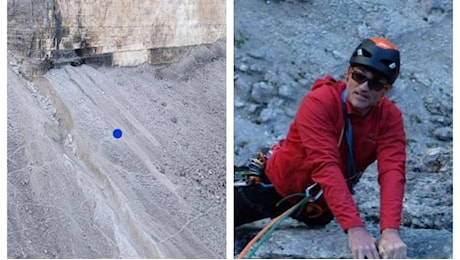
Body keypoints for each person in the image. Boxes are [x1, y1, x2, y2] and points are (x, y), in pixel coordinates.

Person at [235, 37, 408, 259]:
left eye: (375, 84)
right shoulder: (320, 102)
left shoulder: (390, 118)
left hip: (319, 208)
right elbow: (325, 165)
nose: (364, 87)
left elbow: (392, 172)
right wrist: (355, 228)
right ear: (348, 73)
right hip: (272, 189)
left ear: (386, 90)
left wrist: (390, 231)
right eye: (359, 76)